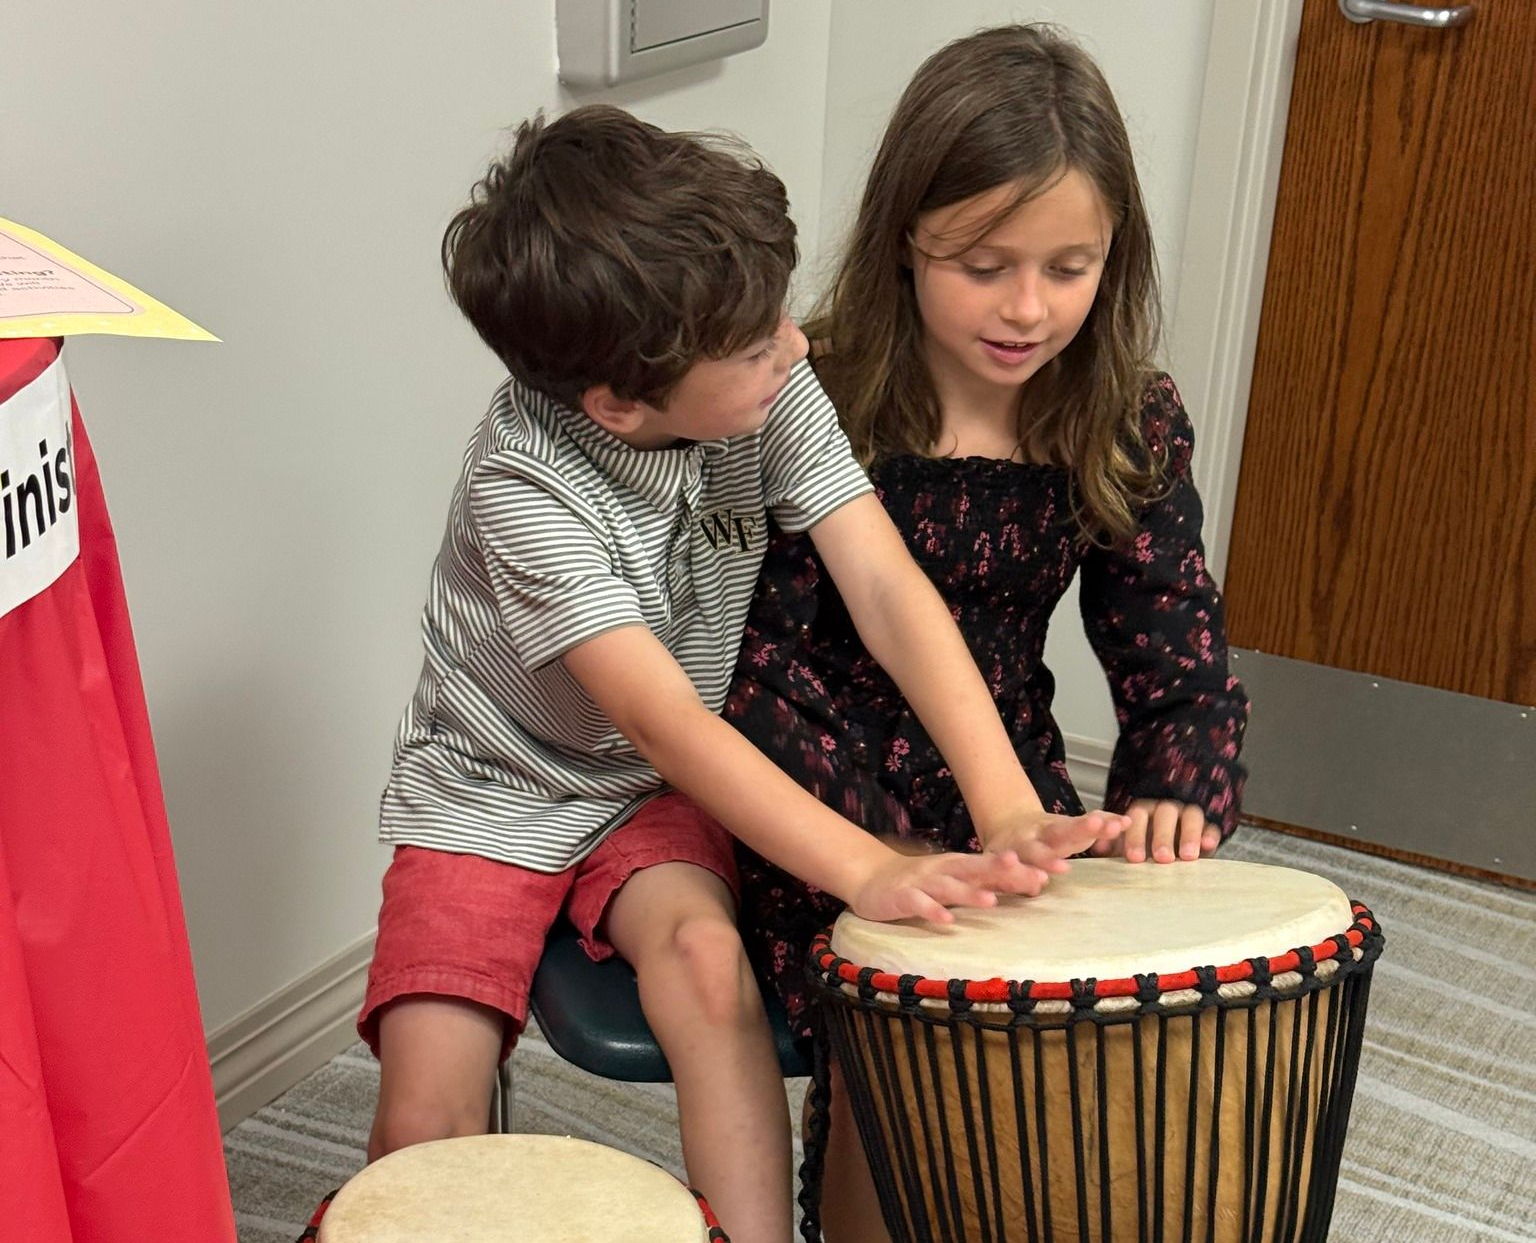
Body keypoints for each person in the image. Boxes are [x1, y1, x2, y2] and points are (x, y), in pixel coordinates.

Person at [355, 104, 1126, 1243]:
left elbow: (885, 587)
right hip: (493, 789)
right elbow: (666, 718)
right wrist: (867, 868)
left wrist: (1006, 805)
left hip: (650, 796)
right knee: (427, 1108)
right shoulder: (524, 490)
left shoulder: (760, 383)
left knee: (710, 967)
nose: (797, 345)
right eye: (761, 343)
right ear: (620, 402)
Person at [723, 24, 1250, 1237]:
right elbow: (755, 671)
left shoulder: (1126, 414)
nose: (1028, 308)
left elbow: (1177, 649)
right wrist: (889, 851)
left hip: (1006, 779)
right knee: (908, 1010)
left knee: (1104, 1016)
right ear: (907, 235)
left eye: (1070, 268)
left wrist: (1176, 784)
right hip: (819, 793)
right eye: (983, 264)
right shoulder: (813, 394)